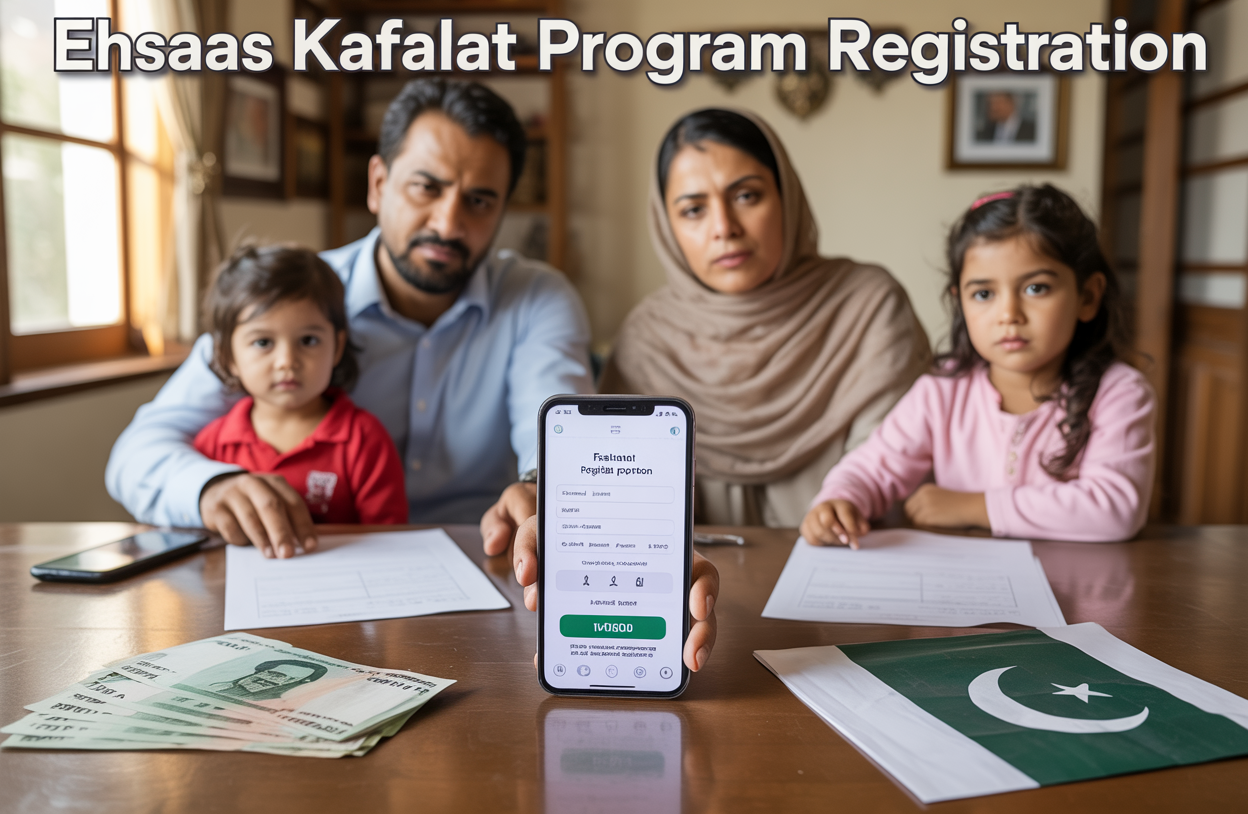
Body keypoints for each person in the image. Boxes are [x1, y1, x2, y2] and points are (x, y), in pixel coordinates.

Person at [107, 77, 721, 672]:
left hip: (488, 593)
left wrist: (549, 487)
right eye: (426, 187)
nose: (449, 223)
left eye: (480, 201)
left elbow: (556, 423)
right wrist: (211, 487)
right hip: (310, 593)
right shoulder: (290, 302)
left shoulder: (537, 296)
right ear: (378, 183)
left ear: (504, 207)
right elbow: (136, 453)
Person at [599, 108, 931, 527]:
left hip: (850, 571)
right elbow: (621, 504)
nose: (724, 227)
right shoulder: (647, 338)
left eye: (746, 196)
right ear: (667, 226)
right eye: (693, 210)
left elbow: (892, 471)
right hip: (698, 587)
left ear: (786, 196)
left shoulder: (868, 306)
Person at [802, 185, 1155, 546]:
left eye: (1036, 288)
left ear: (1088, 296)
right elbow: (873, 468)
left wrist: (975, 507)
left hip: (1075, 589)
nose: (1009, 315)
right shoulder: (941, 391)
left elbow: (1115, 509)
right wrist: (839, 499)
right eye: (984, 294)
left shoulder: (1119, 393)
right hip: (964, 589)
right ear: (961, 301)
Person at [193, 244, 408, 538]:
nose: (287, 362)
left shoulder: (365, 440)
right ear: (228, 357)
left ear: (337, 347)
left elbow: (391, 543)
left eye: (308, 340)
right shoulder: (212, 446)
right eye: (263, 343)